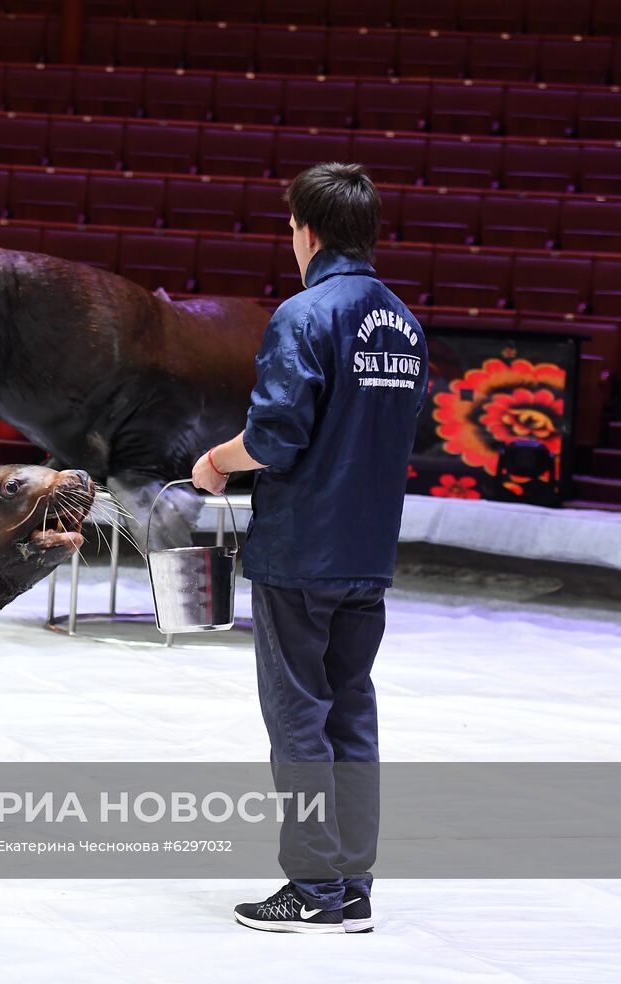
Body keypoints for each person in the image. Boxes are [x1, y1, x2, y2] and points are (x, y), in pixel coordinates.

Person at [190, 163, 428, 934]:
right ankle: (352, 886)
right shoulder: (402, 322)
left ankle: (315, 891)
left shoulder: (304, 315)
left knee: (299, 717)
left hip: (301, 554)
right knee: (351, 713)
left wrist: (216, 462)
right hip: (368, 553)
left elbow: (275, 438)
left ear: (309, 230)